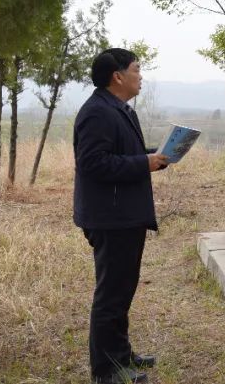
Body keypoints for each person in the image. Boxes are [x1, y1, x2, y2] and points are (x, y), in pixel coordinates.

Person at [73, 48, 168, 384]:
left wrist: (155, 156)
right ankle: (106, 371)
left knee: (122, 290)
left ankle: (121, 354)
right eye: (136, 69)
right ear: (118, 76)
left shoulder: (121, 110)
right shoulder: (97, 113)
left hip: (125, 215)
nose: (141, 76)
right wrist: (144, 163)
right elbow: (93, 163)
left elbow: (121, 155)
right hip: (110, 218)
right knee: (110, 295)